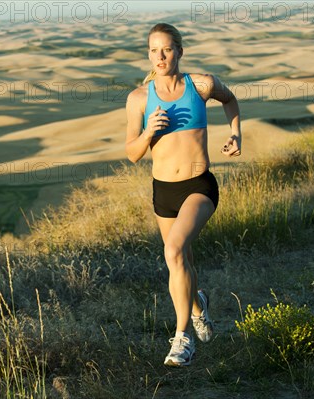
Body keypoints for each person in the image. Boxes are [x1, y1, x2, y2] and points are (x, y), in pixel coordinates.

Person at [125, 23, 241, 366]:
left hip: (198, 186)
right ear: (148, 54)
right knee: (182, 260)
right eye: (153, 50)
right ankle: (198, 306)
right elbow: (132, 153)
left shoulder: (201, 84)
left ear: (179, 51)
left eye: (167, 49)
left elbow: (230, 99)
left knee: (173, 251)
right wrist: (148, 132)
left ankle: (182, 338)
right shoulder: (139, 98)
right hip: (164, 192)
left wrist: (236, 135)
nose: (160, 57)